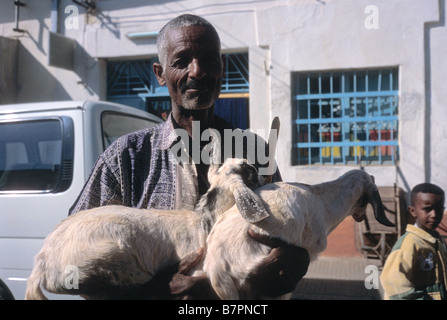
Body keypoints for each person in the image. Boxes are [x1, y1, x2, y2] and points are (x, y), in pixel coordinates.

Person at [69, 14, 310, 299]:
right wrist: (152, 292)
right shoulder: (125, 159)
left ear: (221, 68)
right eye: (182, 61)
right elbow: (73, 259)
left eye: (209, 60)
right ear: (160, 73)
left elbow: (290, 239)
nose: (197, 71)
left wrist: (295, 260)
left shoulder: (254, 151)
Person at [380, 183, 447, 300]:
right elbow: (395, 285)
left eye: (439, 209)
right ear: (412, 211)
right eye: (427, 209)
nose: (434, 215)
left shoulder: (438, 241)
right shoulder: (408, 244)